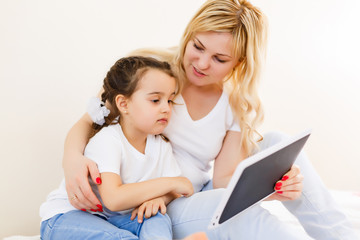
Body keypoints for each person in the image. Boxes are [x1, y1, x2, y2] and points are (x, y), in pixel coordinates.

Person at [61, 0, 358, 239]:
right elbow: (90, 121)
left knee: (277, 142)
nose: (202, 64)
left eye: (219, 59)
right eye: (198, 47)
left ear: (239, 63)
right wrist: (72, 159)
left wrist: (271, 189)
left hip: (195, 192)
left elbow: (223, 181)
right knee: (235, 214)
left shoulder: (235, 103)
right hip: (158, 203)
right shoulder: (150, 72)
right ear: (189, 35)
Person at [40, 56, 208, 240]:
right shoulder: (107, 140)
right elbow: (114, 199)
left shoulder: (160, 145)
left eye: (169, 100)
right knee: (118, 237)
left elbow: (178, 190)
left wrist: (160, 199)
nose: (166, 108)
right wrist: (172, 183)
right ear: (123, 104)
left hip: (114, 219)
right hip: (67, 218)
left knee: (155, 217)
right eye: (155, 100)